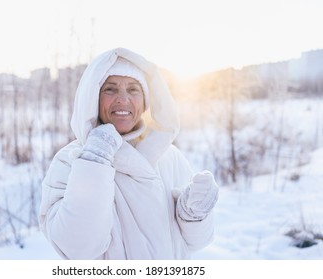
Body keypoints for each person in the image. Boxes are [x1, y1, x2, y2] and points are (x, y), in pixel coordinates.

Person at [38, 47, 219, 260]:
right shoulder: (70, 161)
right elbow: (77, 249)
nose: (123, 100)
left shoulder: (169, 156)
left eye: (133, 89)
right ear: (93, 98)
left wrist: (194, 216)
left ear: (145, 103)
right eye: (110, 89)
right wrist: (94, 163)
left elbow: (196, 243)